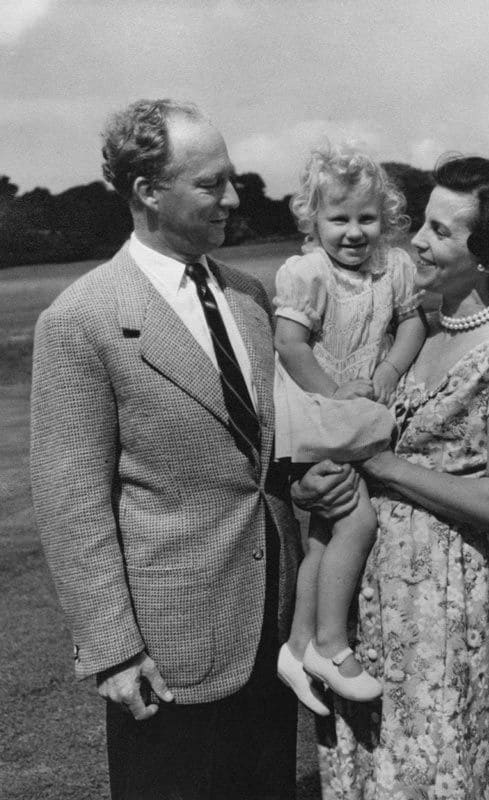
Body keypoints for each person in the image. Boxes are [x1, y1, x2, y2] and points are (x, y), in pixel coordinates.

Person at [29, 98, 355, 800]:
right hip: (167, 650)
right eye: (211, 183)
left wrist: (304, 480)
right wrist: (114, 651)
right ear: (147, 191)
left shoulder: (246, 297)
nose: (233, 199)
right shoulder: (80, 321)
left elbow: (262, 447)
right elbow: (70, 503)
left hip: (273, 628)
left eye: (230, 179)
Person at [294, 155, 489, 799]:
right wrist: (315, 485)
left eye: (440, 231)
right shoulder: (411, 333)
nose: (417, 242)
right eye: (423, 225)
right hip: (362, 594)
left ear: (485, 255)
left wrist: (381, 465)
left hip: (440, 601)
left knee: (436, 773)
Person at [274, 141, 426, 713]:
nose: (354, 232)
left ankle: (296, 646)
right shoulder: (308, 273)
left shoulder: (395, 267)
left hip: (362, 409)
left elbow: (411, 326)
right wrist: (335, 394)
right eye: (339, 219)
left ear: (385, 220)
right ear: (314, 221)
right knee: (356, 521)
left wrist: (386, 371)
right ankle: (332, 646)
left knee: (325, 533)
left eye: (367, 218)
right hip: (317, 414)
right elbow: (289, 345)